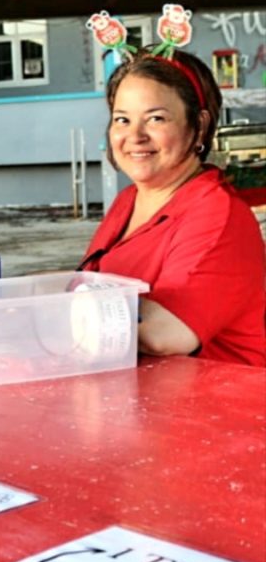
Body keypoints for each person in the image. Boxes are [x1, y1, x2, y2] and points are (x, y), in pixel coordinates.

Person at [79, 49, 265, 365]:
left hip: (222, 406)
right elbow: (87, 285)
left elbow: (162, 334)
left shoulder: (217, 213)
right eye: (122, 119)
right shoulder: (129, 201)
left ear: (200, 126)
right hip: (145, 398)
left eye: (156, 118)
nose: (134, 136)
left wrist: (60, 310)